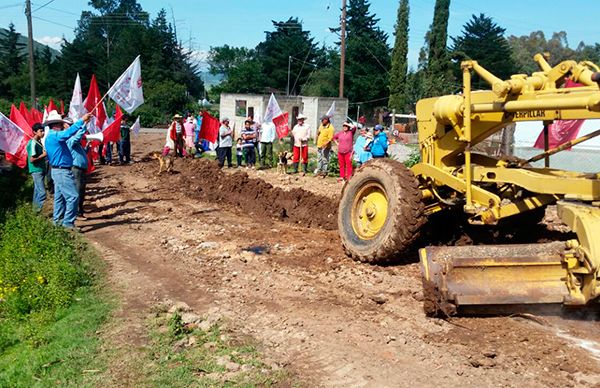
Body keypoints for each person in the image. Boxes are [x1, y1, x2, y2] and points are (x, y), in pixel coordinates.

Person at [44, 110, 91, 229]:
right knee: (73, 197)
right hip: (61, 171)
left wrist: (83, 124)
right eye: (60, 124)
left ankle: (58, 221)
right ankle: (68, 223)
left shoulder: (52, 136)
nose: (62, 126)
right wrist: (82, 120)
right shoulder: (54, 136)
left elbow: (69, 135)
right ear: (55, 125)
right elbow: (68, 133)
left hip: (59, 170)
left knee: (60, 198)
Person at [65, 117, 88, 218]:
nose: (71, 127)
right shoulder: (68, 138)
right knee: (77, 191)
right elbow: (77, 137)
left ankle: (80, 210)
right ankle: (76, 212)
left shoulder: (73, 140)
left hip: (81, 169)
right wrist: (84, 124)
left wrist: (87, 148)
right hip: (76, 169)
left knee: (81, 190)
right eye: (69, 125)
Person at [27, 123, 47, 211]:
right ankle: (38, 211)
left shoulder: (38, 142)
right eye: (41, 131)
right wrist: (43, 155)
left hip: (40, 169)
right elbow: (32, 159)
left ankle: (34, 211)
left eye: (43, 131)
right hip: (36, 170)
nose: (43, 133)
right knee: (42, 192)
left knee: (37, 191)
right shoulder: (33, 143)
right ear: (35, 132)